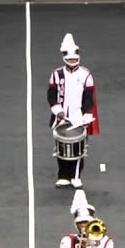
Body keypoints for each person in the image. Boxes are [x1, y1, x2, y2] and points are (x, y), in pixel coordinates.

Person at [48, 33, 99, 189]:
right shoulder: (56, 74)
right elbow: (51, 95)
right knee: (61, 146)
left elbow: (89, 97)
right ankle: (63, 175)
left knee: (78, 147)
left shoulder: (85, 74)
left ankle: (76, 176)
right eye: (69, 60)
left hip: (78, 116)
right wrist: (59, 112)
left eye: (74, 59)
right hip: (61, 116)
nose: (72, 62)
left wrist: (86, 115)